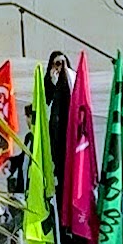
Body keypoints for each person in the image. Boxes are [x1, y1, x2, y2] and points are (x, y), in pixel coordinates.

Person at [44, 50, 72, 188]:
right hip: (54, 137)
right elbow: (45, 107)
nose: (60, 68)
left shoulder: (71, 82)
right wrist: (54, 87)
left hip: (68, 136)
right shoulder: (48, 85)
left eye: (63, 64)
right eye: (57, 64)